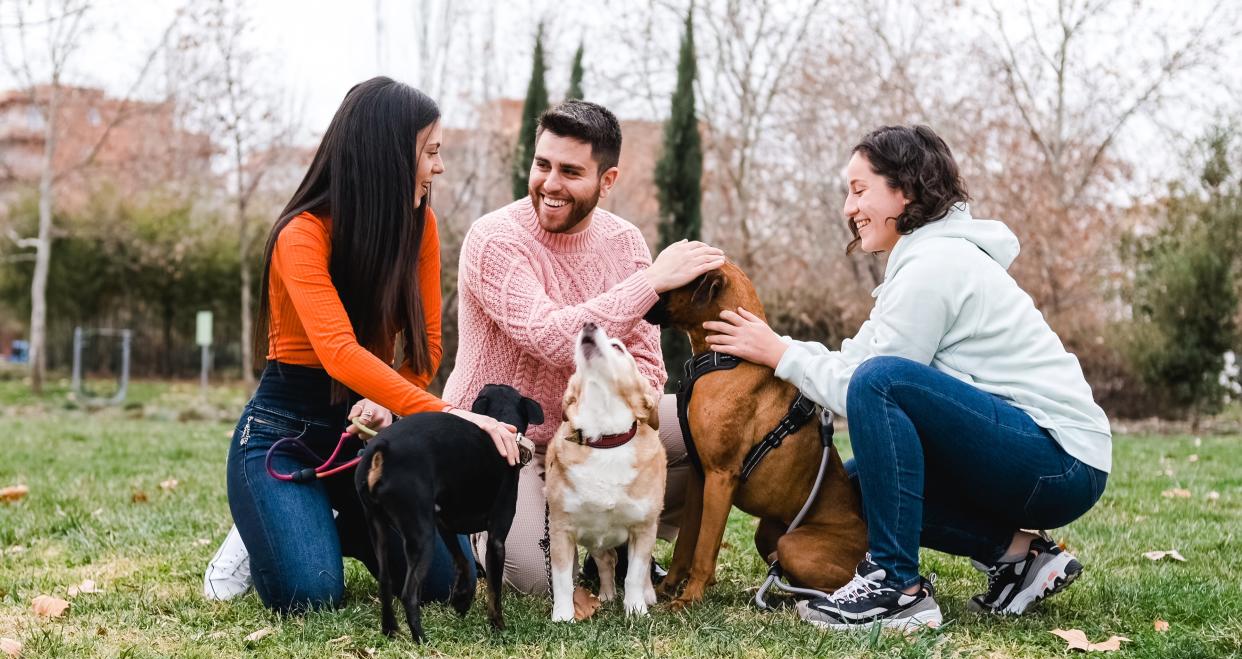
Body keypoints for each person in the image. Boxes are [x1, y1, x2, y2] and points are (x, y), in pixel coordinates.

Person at [703, 125, 1111, 630]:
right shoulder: (922, 260)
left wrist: (781, 353)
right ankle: (1021, 558)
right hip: (1032, 454)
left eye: (858, 190)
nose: (848, 209)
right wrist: (779, 349)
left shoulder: (935, 265)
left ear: (907, 190)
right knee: (850, 492)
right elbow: (858, 361)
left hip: (1060, 461)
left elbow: (868, 386)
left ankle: (898, 589)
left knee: (881, 382)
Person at [205, 77, 518, 612]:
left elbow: (427, 349)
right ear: (387, 156)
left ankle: (333, 521)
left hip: (368, 441)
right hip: (286, 434)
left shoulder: (420, 225)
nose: (438, 167)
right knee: (311, 594)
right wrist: (453, 415)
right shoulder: (300, 234)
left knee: (443, 585)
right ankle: (267, 523)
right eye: (431, 152)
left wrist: (393, 400)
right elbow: (338, 351)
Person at [444, 100, 726, 594]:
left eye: (570, 171)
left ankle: (620, 536)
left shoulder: (624, 242)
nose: (550, 184)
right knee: (530, 577)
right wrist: (651, 283)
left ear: (607, 180)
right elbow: (552, 337)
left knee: (715, 427)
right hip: (509, 442)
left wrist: (609, 436)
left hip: (591, 434)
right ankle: (483, 530)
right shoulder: (494, 239)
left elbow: (647, 364)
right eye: (542, 165)